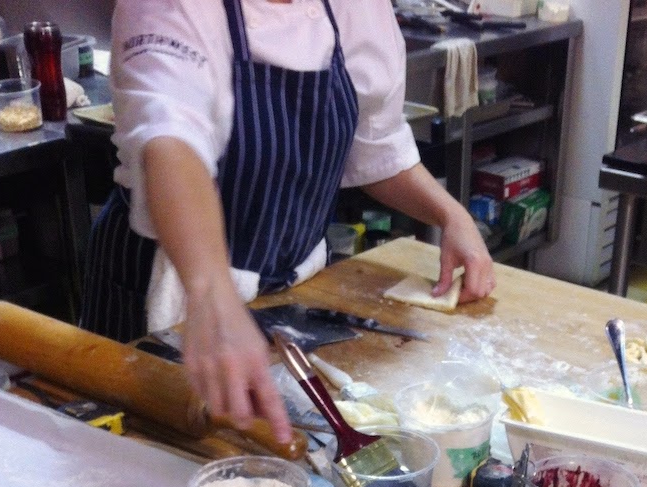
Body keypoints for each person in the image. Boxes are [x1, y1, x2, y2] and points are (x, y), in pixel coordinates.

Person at [82, 0, 496, 443]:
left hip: (290, 300)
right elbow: (172, 141)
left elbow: (375, 146)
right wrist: (213, 294)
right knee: (149, 456)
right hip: (173, 294)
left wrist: (450, 214)